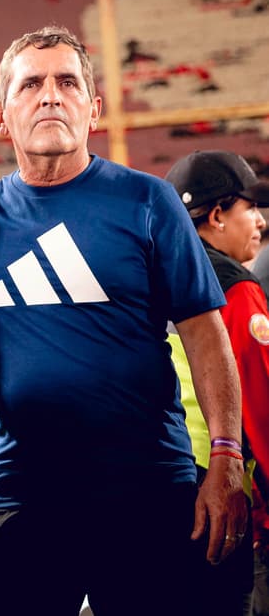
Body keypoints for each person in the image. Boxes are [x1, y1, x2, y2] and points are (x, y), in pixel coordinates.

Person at [0, 26, 248, 616]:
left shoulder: (146, 200)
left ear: (93, 108)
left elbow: (204, 333)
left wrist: (225, 457)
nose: (50, 96)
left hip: (149, 486)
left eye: (68, 82)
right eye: (31, 84)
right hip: (25, 493)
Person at [166, 150, 269, 615]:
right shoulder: (235, 288)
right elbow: (262, 407)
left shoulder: (153, 277)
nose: (260, 222)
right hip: (219, 495)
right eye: (250, 207)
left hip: (156, 485)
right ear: (217, 216)